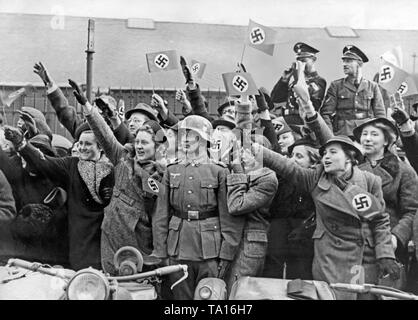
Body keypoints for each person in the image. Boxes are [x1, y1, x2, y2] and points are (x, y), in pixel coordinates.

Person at [252, 135, 399, 300]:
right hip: (330, 258)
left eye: (333, 152)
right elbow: (286, 166)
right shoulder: (316, 179)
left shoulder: (370, 180)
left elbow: (379, 220)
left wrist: (385, 255)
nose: (326, 157)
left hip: (364, 259)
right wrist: (256, 149)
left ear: (350, 157)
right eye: (325, 153)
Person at [4, 88, 115, 270]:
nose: (83, 148)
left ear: (101, 148)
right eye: (80, 143)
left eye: (88, 144)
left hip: (108, 241)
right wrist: (22, 144)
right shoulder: (71, 165)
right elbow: (44, 162)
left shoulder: (114, 169)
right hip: (81, 246)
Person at [78, 81, 167, 274]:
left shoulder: (161, 175)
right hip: (110, 232)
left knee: (137, 285)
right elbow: (105, 136)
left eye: (145, 143)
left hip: (138, 238)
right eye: (138, 142)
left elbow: (159, 215)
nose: (140, 146)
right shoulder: (122, 157)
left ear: (157, 147)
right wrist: (88, 107)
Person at [152, 115, 243, 300]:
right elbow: (161, 215)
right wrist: (161, 252)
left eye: (191, 135)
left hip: (209, 250)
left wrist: (226, 255)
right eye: (182, 134)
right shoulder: (172, 170)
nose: (184, 139)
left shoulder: (219, 171)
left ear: (204, 139)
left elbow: (229, 218)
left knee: (208, 298)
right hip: (177, 248)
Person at [352, 118, 418, 273]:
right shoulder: (351, 169)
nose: (367, 138)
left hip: (388, 242)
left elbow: (411, 211)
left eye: (374, 134)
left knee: (384, 292)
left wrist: (396, 237)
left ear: (387, 141)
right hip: (354, 240)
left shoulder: (403, 171)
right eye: (364, 134)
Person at [225, 134, 278, 291]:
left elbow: (236, 205)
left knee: (238, 289)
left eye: (247, 150)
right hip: (233, 238)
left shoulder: (268, 178)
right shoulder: (242, 171)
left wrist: (237, 172)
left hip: (250, 242)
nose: (241, 154)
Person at [319, 45, 386, 136]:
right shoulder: (336, 86)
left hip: (365, 133)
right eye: (343, 61)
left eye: (349, 61)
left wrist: (380, 135)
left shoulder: (372, 86)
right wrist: (330, 135)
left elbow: (380, 115)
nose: (344, 64)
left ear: (360, 64)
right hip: (343, 133)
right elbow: (325, 114)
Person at [271, 42, 326, 126]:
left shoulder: (319, 81)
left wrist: (299, 78)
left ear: (313, 59)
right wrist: (284, 80)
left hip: (302, 121)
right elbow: (276, 99)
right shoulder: (294, 82)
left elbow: (314, 105)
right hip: (287, 119)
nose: (300, 64)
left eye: (304, 61)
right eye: (298, 61)